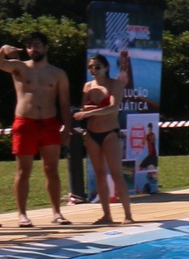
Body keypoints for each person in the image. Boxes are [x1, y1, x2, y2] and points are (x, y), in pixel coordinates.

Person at [0, 33, 72, 228]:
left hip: (49, 123)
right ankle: (22, 214)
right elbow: (1, 64)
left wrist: (67, 128)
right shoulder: (19, 67)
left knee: (52, 169)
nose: (33, 49)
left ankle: (57, 212)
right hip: (25, 123)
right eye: (30, 46)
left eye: (37, 45)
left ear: (46, 48)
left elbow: (64, 103)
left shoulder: (57, 74)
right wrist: (2, 51)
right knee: (23, 170)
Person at [77, 54, 132, 225]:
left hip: (110, 133)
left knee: (116, 174)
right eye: (91, 67)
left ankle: (128, 215)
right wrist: (87, 110)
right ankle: (106, 215)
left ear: (106, 68)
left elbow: (113, 108)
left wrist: (89, 112)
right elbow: (83, 107)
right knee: (100, 174)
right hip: (92, 133)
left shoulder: (114, 84)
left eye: (97, 67)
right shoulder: (88, 86)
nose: (93, 70)